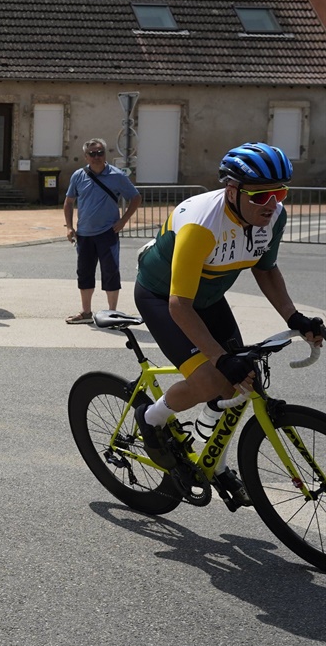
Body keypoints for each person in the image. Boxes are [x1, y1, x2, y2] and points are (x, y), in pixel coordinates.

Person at [134, 143, 324, 499]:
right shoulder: (201, 225)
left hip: (208, 298)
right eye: (262, 195)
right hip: (165, 297)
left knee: (242, 381)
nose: (272, 204)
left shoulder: (273, 217)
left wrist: (294, 317)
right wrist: (220, 358)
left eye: (280, 192)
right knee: (210, 379)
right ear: (232, 191)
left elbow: (266, 270)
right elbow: (180, 305)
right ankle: (152, 417)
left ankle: (211, 459)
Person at [63, 138, 142, 324]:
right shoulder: (78, 176)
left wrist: (123, 221)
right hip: (84, 234)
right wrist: (69, 226)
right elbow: (69, 202)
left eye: (100, 152)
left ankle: (112, 313)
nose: (97, 157)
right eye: (92, 154)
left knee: (111, 272)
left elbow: (135, 197)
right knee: (84, 272)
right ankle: (86, 312)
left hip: (108, 233)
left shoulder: (117, 176)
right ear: (86, 156)